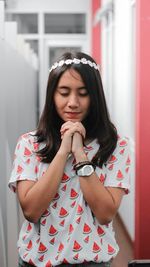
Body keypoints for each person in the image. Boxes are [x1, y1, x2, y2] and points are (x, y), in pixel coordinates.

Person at [8, 52, 131, 267]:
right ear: (52, 95)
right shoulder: (29, 143)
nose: (72, 102)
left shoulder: (116, 145)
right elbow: (31, 211)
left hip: (93, 262)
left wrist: (80, 154)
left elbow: (105, 214)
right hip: (36, 261)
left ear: (95, 97)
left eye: (83, 93)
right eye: (64, 92)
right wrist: (64, 150)